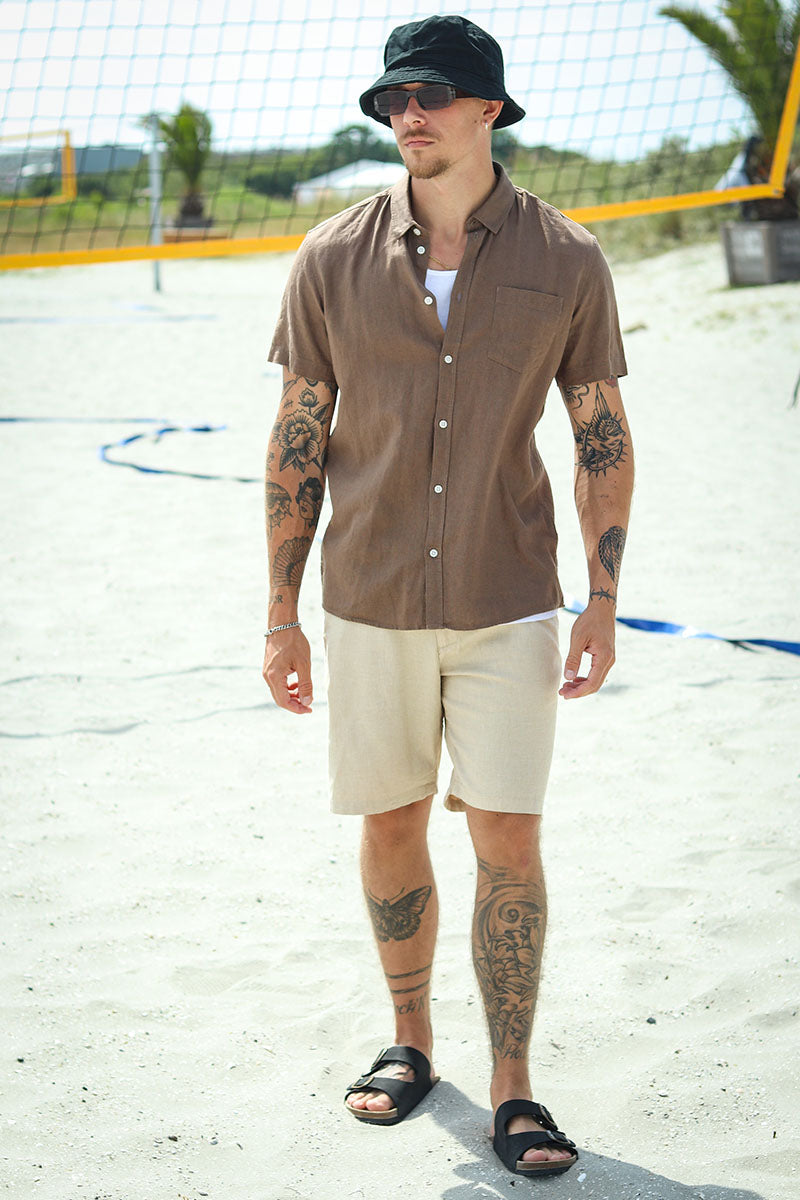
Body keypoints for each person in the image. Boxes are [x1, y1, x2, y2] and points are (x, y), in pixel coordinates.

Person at [263, 14, 633, 1181]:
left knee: (507, 835)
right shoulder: (329, 256)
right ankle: (411, 1043)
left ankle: (513, 1086)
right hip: (365, 595)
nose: (406, 113)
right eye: (392, 98)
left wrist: (602, 598)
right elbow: (296, 436)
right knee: (389, 822)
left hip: (507, 594)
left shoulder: (566, 259)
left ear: (488, 110)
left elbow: (599, 434)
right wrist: (279, 614)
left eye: (428, 94)